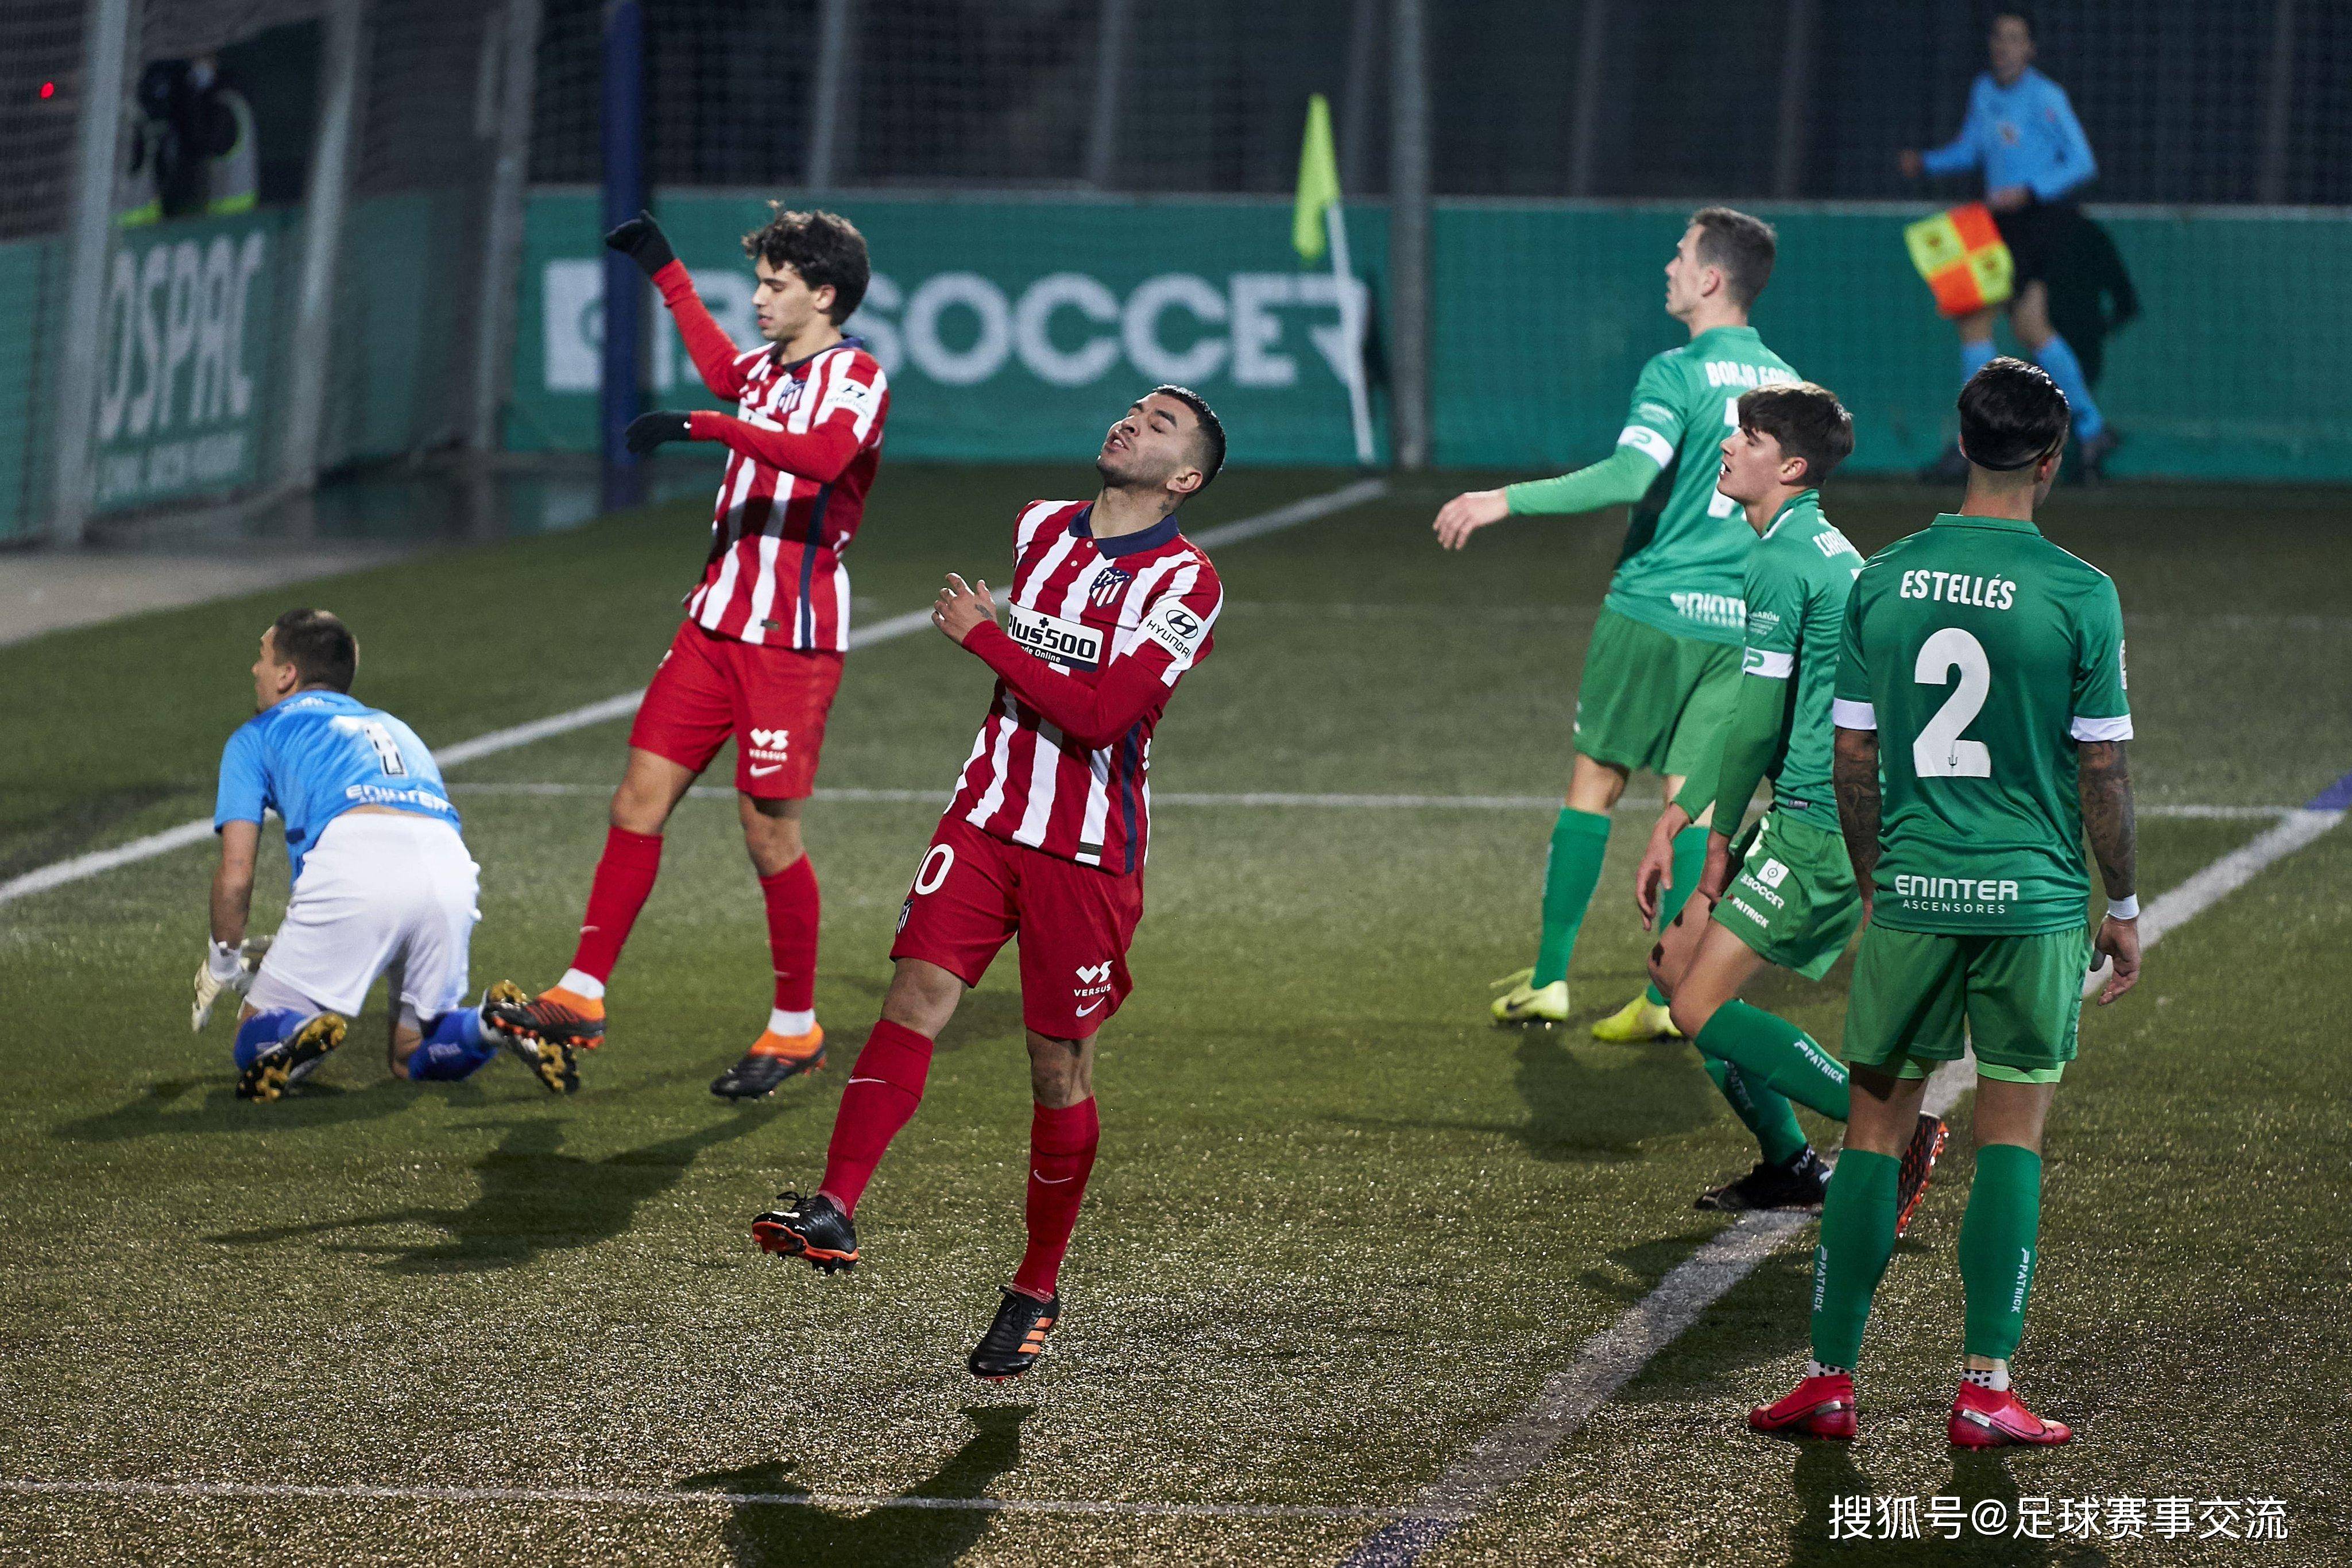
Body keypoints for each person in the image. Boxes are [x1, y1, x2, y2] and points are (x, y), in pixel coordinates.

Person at [749, 388, 1227, 1384]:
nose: (1132, 423)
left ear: (1185, 479)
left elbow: (1101, 715)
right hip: (982, 819)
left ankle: (1036, 1284)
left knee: (1058, 1072)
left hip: (1084, 853)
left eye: (1161, 426)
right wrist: (1003, 642)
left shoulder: (1188, 583)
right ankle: (834, 1206)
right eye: (1134, 409)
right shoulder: (1037, 527)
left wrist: (985, 637)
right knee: (914, 996)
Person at [1750, 358, 2140, 1447]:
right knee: (2011, 1135)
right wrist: (2123, 902)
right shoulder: (2080, 591)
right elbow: (2103, 774)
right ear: (2051, 460)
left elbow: (1852, 755)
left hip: (1915, 892)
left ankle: (1829, 1380)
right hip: (2034, 902)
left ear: (1961, 442)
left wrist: (1882, 884)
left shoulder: (1883, 579)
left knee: (1874, 1134)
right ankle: (1984, 1388)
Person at [486, 207, 889, 1101]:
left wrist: (708, 428)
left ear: (825, 295)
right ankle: (580, 993)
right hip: (713, 625)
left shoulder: (855, 376)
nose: (760, 300)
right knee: (637, 799)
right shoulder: (768, 371)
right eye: (759, 283)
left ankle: (796, 1027)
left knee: (769, 833)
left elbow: (825, 456)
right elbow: (719, 368)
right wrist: (663, 266)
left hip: (790, 640)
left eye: (776, 285)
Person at [1433, 207, 1796, 1042]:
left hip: (1653, 611)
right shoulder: (1788, 386)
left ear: (1711, 278)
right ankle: (1667, 998)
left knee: (1596, 782)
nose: (1669, 267)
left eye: (1681, 255)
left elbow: (1632, 473)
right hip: (1736, 621)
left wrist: (1503, 498)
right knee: (1692, 805)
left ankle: (1551, 980)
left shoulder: (1676, 370)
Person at [1636, 384, 1948, 1222]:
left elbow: (1756, 722)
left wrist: (1714, 841)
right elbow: (1759, 711)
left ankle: (1890, 1126)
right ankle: (1791, 1163)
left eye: (1752, 437)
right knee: (1672, 968)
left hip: (1815, 824)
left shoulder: (1780, 562)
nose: (1730, 445)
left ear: (1792, 467)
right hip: (1822, 811)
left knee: (1696, 1003)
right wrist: (1680, 810)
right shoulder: (1822, 548)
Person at [195, 610, 566, 1101]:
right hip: (449, 869)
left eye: (262, 657)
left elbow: (237, 872)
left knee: (251, 1036)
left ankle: (294, 1033)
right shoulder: (395, 728)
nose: (254, 669)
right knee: (412, 1053)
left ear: (287, 675)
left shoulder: (256, 735)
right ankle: (489, 1023)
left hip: (356, 866)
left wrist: (223, 963)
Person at [1901, 9, 2119, 479]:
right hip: (1998, 224)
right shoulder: (1984, 90)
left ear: (2030, 49)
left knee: (1974, 322)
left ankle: (1971, 448)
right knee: (2032, 328)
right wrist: (1928, 163)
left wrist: (2030, 190)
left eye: (2016, 38)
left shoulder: (2046, 96)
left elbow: (2082, 162)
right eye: (1999, 37)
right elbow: (1972, 149)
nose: (2005, 46)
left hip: (2036, 221)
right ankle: (2092, 428)